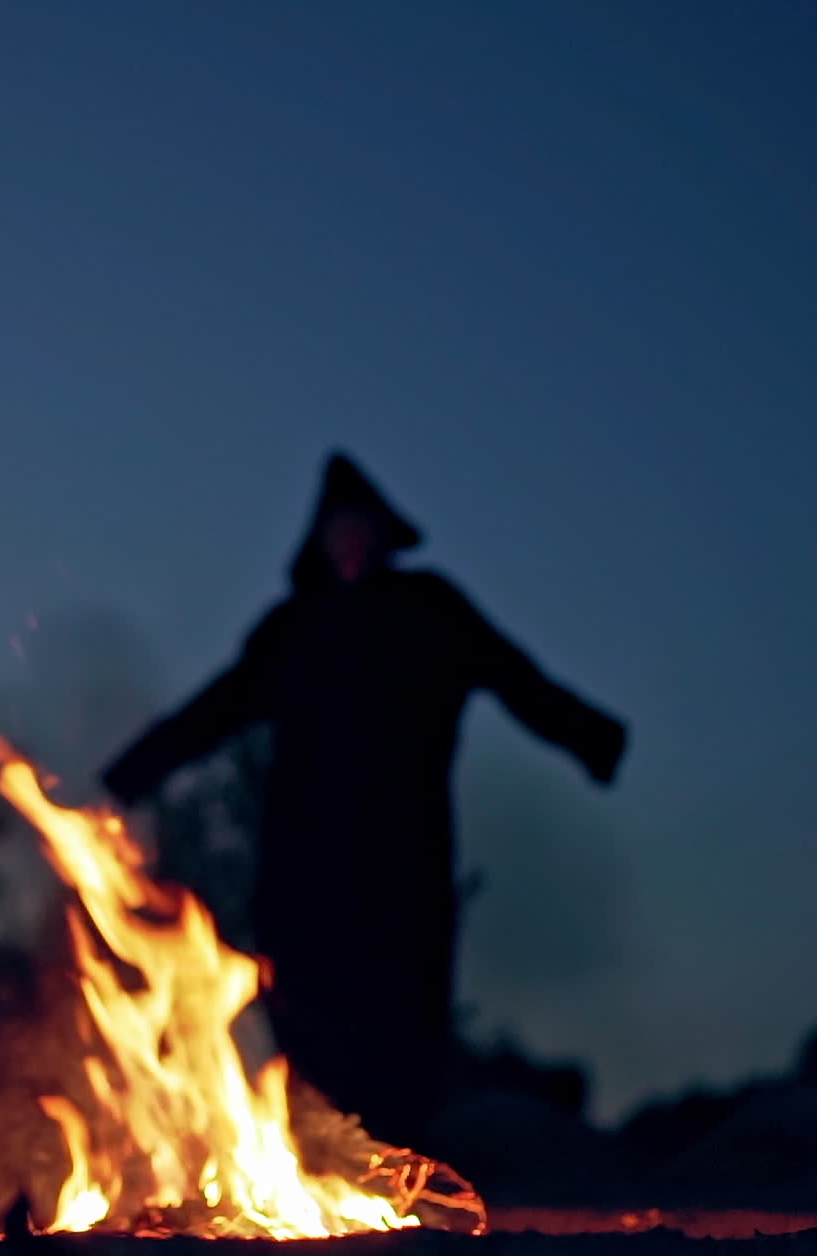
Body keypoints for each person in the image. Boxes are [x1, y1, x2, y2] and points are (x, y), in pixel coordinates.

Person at [100, 452, 627, 1145]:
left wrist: (594, 740)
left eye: (362, 525)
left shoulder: (433, 612)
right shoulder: (292, 631)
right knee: (310, 1025)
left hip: (404, 865)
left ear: (384, 535)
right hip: (305, 871)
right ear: (318, 537)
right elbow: (212, 713)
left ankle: (395, 1183)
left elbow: (515, 678)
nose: (350, 539)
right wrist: (123, 780)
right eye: (337, 526)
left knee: (403, 1027)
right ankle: (317, 1177)